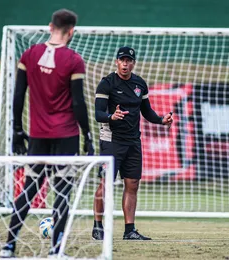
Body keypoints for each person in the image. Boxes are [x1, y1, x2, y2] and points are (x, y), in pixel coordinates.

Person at [0, 9, 94, 258]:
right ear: (72, 31)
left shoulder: (29, 54)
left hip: (38, 136)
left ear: (50, 26)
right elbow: (78, 103)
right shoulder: (74, 60)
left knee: (30, 188)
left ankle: (9, 246)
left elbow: (18, 96)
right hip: (66, 136)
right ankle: (55, 251)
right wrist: (88, 135)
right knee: (62, 191)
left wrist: (17, 131)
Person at [92, 46, 173, 240]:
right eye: (122, 60)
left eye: (129, 60)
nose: (125, 64)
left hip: (133, 142)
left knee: (133, 184)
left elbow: (147, 111)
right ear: (116, 62)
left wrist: (162, 120)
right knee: (106, 183)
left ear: (133, 63)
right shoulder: (107, 84)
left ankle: (129, 230)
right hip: (111, 141)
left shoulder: (140, 84)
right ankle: (97, 226)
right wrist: (112, 116)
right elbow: (98, 114)